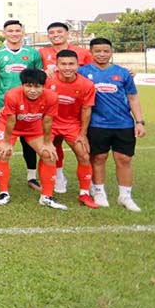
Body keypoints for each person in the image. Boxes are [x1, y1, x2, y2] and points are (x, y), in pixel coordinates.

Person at [80, 38, 146, 211]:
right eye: (98, 51)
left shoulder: (123, 73)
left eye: (106, 51)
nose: (102, 54)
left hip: (123, 123)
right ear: (91, 52)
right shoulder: (82, 72)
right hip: (96, 124)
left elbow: (133, 97)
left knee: (124, 159)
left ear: (111, 52)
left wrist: (139, 121)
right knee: (98, 158)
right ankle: (99, 192)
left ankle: (125, 196)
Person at [0, 68, 65, 209]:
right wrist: (6, 143)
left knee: (48, 155)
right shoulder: (12, 95)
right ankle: (3, 193)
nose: (33, 90)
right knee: (3, 152)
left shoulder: (52, 97)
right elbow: (10, 121)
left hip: (33, 127)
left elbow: (48, 121)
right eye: (28, 86)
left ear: (43, 86)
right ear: (23, 85)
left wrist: (48, 142)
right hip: (9, 126)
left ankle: (46, 196)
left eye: (37, 86)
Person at [0, 19, 43, 191]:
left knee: (29, 143)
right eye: (10, 31)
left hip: (29, 107)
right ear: (4, 33)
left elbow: (40, 79)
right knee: (4, 145)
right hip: (3, 107)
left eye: (17, 30)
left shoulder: (33, 53)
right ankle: (2, 180)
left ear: (23, 32)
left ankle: (32, 177)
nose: (14, 33)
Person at [45, 50, 97, 207]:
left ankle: (84, 193)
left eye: (71, 64)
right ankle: (48, 192)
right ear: (57, 65)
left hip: (72, 124)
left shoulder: (86, 85)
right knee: (48, 153)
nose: (67, 68)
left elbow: (86, 110)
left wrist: (83, 134)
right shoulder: (48, 80)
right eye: (63, 64)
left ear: (77, 65)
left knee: (84, 155)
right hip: (51, 122)